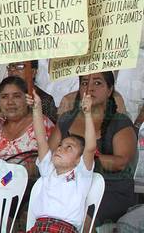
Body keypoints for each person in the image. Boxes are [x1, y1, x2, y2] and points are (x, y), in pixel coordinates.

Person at [49, 72, 137, 224]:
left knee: (82, 214)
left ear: (109, 90)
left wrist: (81, 159)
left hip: (109, 187)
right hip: (67, 185)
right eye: (84, 83)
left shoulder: (120, 122)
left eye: (97, 83)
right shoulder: (66, 119)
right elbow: (49, 154)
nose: (89, 88)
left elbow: (121, 162)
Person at [28, 92, 95, 233]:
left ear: (79, 160)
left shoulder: (81, 176)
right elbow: (41, 139)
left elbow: (90, 148)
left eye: (68, 148)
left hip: (63, 229)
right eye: (60, 145)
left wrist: (88, 114)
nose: (60, 149)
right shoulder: (48, 170)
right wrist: (37, 108)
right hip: (38, 227)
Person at [0, 77, 54, 176]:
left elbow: (50, 163)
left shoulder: (41, 123)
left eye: (16, 96)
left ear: (28, 99)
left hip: (27, 183)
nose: (10, 102)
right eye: (4, 97)